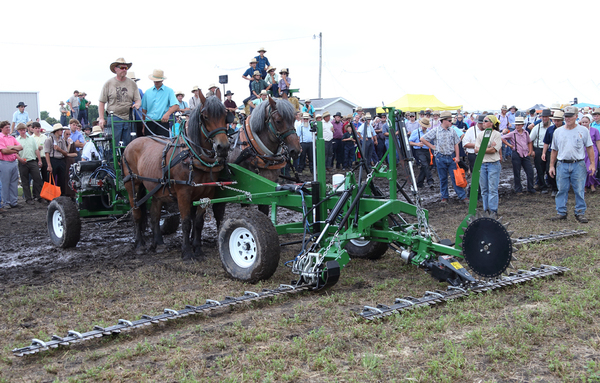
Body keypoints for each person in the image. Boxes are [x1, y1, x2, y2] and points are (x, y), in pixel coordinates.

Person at [548, 106, 595, 223]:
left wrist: (592, 164)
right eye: (566, 116)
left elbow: (589, 147)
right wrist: (551, 166)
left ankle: (580, 212)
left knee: (579, 189)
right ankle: (561, 212)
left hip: (578, 164)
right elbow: (554, 150)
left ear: (576, 116)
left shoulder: (583, 130)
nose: (567, 119)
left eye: (570, 116)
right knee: (562, 189)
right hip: (562, 164)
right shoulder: (558, 132)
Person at [420, 111, 468, 204]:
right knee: (443, 178)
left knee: (455, 177)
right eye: (449, 120)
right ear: (443, 121)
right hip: (440, 157)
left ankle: (462, 196)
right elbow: (423, 139)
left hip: (451, 157)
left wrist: (457, 156)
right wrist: (433, 147)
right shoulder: (436, 130)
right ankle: (444, 197)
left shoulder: (452, 130)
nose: (451, 122)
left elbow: (456, 144)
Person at [99, 58, 142, 145]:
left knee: (129, 145)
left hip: (129, 117)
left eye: (125, 68)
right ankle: (112, 159)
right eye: (122, 67)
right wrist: (101, 118)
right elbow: (101, 102)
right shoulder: (109, 83)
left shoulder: (132, 84)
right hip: (114, 117)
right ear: (115, 68)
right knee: (112, 145)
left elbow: (138, 99)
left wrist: (137, 104)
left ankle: (126, 159)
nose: (124, 70)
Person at [475, 115, 503, 218]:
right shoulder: (480, 134)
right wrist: (489, 147)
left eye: (486, 121)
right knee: (484, 189)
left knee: (492, 188)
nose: (483, 122)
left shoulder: (497, 134)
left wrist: (484, 148)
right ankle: (486, 210)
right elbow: (476, 150)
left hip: (493, 163)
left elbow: (494, 150)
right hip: (483, 164)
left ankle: (493, 211)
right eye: (483, 121)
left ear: (491, 123)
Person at [501, 117, 535, 194]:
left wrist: (530, 151)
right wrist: (510, 145)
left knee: (530, 171)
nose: (517, 126)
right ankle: (518, 189)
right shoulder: (513, 133)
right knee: (517, 172)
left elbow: (529, 142)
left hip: (525, 154)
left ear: (522, 125)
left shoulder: (526, 133)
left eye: (519, 125)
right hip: (516, 153)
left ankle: (530, 188)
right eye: (516, 125)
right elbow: (502, 138)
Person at [141, 69, 179, 137]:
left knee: (163, 145)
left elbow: (175, 105)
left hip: (162, 122)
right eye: (155, 80)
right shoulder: (147, 92)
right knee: (149, 145)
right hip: (149, 123)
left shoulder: (169, 91)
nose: (156, 82)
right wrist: (144, 126)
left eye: (158, 80)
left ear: (162, 80)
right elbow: (144, 110)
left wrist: (167, 114)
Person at [15, 123, 43, 204]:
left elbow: (36, 150)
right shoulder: (17, 140)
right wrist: (20, 159)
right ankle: (28, 198)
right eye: (21, 130)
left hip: (32, 160)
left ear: (26, 130)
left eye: (24, 130)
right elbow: (15, 152)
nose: (23, 131)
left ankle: (38, 196)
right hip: (23, 162)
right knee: (25, 181)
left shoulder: (31, 139)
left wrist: (39, 160)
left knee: (37, 178)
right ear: (18, 131)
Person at [0, 121, 23, 210]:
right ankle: (6, 202)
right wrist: (15, 150)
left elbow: (21, 147)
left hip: (13, 161)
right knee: (5, 183)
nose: (9, 129)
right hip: (4, 162)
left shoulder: (11, 137)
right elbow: (4, 151)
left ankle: (13, 201)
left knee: (14, 182)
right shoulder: (0, 137)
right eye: (6, 127)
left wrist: (11, 148)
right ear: (1, 128)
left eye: (9, 127)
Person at [542, 110, 565, 197]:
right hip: (551, 151)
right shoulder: (550, 129)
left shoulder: (566, 129)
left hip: (563, 152)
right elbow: (546, 142)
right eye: (555, 120)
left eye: (558, 120)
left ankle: (561, 188)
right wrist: (543, 153)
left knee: (562, 171)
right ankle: (554, 188)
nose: (556, 122)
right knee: (550, 170)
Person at [529, 109, 552, 192]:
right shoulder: (537, 127)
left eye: (546, 117)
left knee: (549, 168)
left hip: (550, 150)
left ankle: (551, 185)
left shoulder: (553, 127)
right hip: (538, 149)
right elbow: (530, 140)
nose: (545, 118)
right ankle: (543, 186)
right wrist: (532, 151)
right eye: (543, 117)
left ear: (549, 117)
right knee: (540, 169)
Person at [409, 117, 434, 188]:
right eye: (424, 126)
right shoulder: (415, 132)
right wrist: (417, 144)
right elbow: (410, 142)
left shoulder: (429, 132)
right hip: (419, 150)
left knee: (425, 166)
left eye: (426, 126)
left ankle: (419, 183)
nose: (425, 128)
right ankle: (430, 181)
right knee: (425, 165)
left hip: (427, 150)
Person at [578, 116, 600, 192]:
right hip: (582, 151)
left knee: (591, 169)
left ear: (589, 122)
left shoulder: (595, 130)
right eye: (583, 122)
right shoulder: (578, 130)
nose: (584, 124)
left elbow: (598, 142)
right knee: (583, 169)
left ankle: (592, 184)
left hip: (593, 151)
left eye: (586, 122)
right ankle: (584, 185)